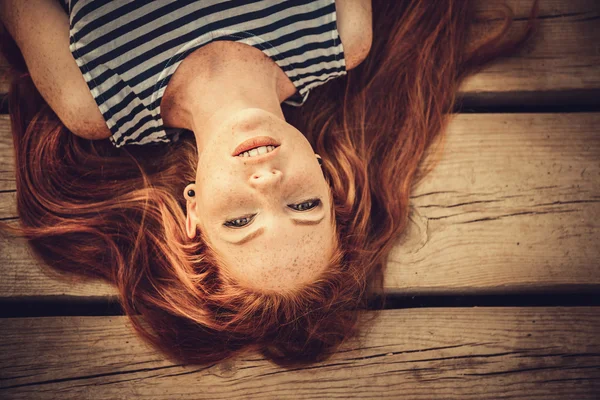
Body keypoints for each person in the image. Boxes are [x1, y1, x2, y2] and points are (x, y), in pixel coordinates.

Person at [0, 0, 538, 368]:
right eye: (303, 203)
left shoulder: (94, 103)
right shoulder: (342, 37)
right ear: (327, 176)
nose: (266, 182)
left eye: (240, 221)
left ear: (193, 210)